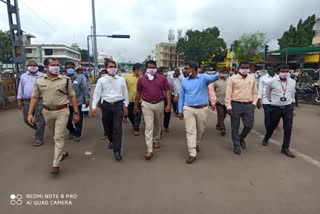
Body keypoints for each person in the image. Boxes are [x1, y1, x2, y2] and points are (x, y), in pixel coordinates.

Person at [27, 57, 79, 175]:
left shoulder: (65, 80)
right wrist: (30, 113)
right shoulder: (39, 81)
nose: (56, 67)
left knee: (58, 137)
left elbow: (72, 96)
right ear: (46, 67)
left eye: (57, 65)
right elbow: (35, 97)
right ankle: (62, 152)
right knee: (54, 134)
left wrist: (76, 112)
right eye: (53, 65)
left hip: (62, 111)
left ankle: (56, 164)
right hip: (47, 112)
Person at [177, 61, 219, 164]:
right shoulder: (184, 81)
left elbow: (214, 77)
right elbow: (181, 96)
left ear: (193, 69)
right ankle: (192, 153)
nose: (184, 70)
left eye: (186, 68)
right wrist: (179, 110)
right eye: (184, 68)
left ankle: (196, 143)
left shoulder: (204, 78)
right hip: (188, 108)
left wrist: (221, 74)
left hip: (202, 108)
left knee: (200, 129)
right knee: (190, 131)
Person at [91, 60, 129, 161]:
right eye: (110, 67)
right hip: (106, 105)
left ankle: (117, 150)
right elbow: (97, 94)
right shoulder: (101, 80)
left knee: (117, 127)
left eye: (114, 66)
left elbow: (125, 93)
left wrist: (126, 105)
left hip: (118, 105)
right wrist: (94, 106)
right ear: (106, 68)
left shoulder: (121, 80)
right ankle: (111, 140)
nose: (113, 68)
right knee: (107, 126)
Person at [134, 60, 171, 160]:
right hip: (146, 104)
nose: (151, 69)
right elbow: (138, 93)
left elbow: (167, 90)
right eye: (149, 67)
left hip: (159, 103)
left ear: (156, 68)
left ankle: (156, 140)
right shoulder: (142, 80)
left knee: (158, 124)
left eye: (153, 67)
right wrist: (136, 106)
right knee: (149, 126)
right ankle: (149, 149)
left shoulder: (162, 78)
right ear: (146, 68)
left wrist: (168, 104)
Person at [262, 64, 296, 158]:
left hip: (288, 108)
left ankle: (285, 148)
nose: (284, 73)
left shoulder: (292, 82)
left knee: (288, 128)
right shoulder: (271, 82)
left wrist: (293, 104)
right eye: (282, 71)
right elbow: (268, 93)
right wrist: (272, 101)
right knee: (272, 126)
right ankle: (267, 137)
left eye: (286, 71)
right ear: (278, 72)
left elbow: (292, 93)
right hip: (276, 108)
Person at [225, 61, 259, 155]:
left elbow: (255, 92)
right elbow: (228, 93)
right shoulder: (232, 79)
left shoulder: (252, 78)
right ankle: (236, 145)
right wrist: (228, 106)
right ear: (238, 68)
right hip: (235, 105)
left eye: (247, 68)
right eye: (243, 67)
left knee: (249, 125)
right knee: (235, 127)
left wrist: (254, 103)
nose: (245, 69)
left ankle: (241, 138)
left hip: (249, 105)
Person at [17, 59, 45, 146]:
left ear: (37, 66)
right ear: (27, 67)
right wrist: (19, 100)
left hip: (40, 100)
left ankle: (39, 138)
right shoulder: (23, 76)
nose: (33, 67)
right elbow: (20, 88)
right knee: (26, 119)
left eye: (34, 65)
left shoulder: (43, 76)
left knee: (39, 119)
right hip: (27, 100)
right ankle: (39, 129)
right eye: (31, 65)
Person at [66, 68, 90, 142]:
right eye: (68, 75)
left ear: (74, 73)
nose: (70, 76)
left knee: (78, 119)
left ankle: (77, 134)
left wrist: (87, 99)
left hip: (78, 101)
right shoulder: (64, 79)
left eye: (71, 75)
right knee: (67, 120)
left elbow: (85, 89)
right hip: (67, 102)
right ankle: (72, 130)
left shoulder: (80, 78)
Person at [209, 68, 229, 136]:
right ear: (220, 73)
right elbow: (212, 91)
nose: (225, 74)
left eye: (226, 72)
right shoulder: (216, 81)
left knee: (224, 115)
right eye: (223, 72)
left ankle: (219, 124)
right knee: (220, 114)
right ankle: (222, 128)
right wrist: (212, 101)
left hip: (227, 101)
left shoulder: (230, 80)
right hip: (218, 101)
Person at [125, 63, 143, 136]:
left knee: (137, 114)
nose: (142, 71)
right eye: (141, 69)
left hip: (139, 100)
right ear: (137, 69)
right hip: (129, 99)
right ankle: (134, 123)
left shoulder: (142, 78)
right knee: (130, 114)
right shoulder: (127, 76)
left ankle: (136, 127)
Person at [257, 65, 277, 133]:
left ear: (274, 69)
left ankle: (272, 127)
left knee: (274, 116)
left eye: (271, 68)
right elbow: (260, 89)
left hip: (276, 100)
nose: (269, 70)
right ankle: (268, 130)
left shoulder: (278, 78)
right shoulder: (263, 78)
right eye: (268, 69)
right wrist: (259, 99)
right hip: (266, 100)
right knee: (267, 115)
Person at [158, 66, 171, 133]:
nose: (166, 73)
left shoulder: (169, 78)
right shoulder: (156, 78)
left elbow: (173, 86)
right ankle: (158, 128)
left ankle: (166, 126)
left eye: (167, 71)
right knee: (158, 114)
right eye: (164, 71)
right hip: (159, 98)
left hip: (167, 97)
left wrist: (176, 95)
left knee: (167, 113)